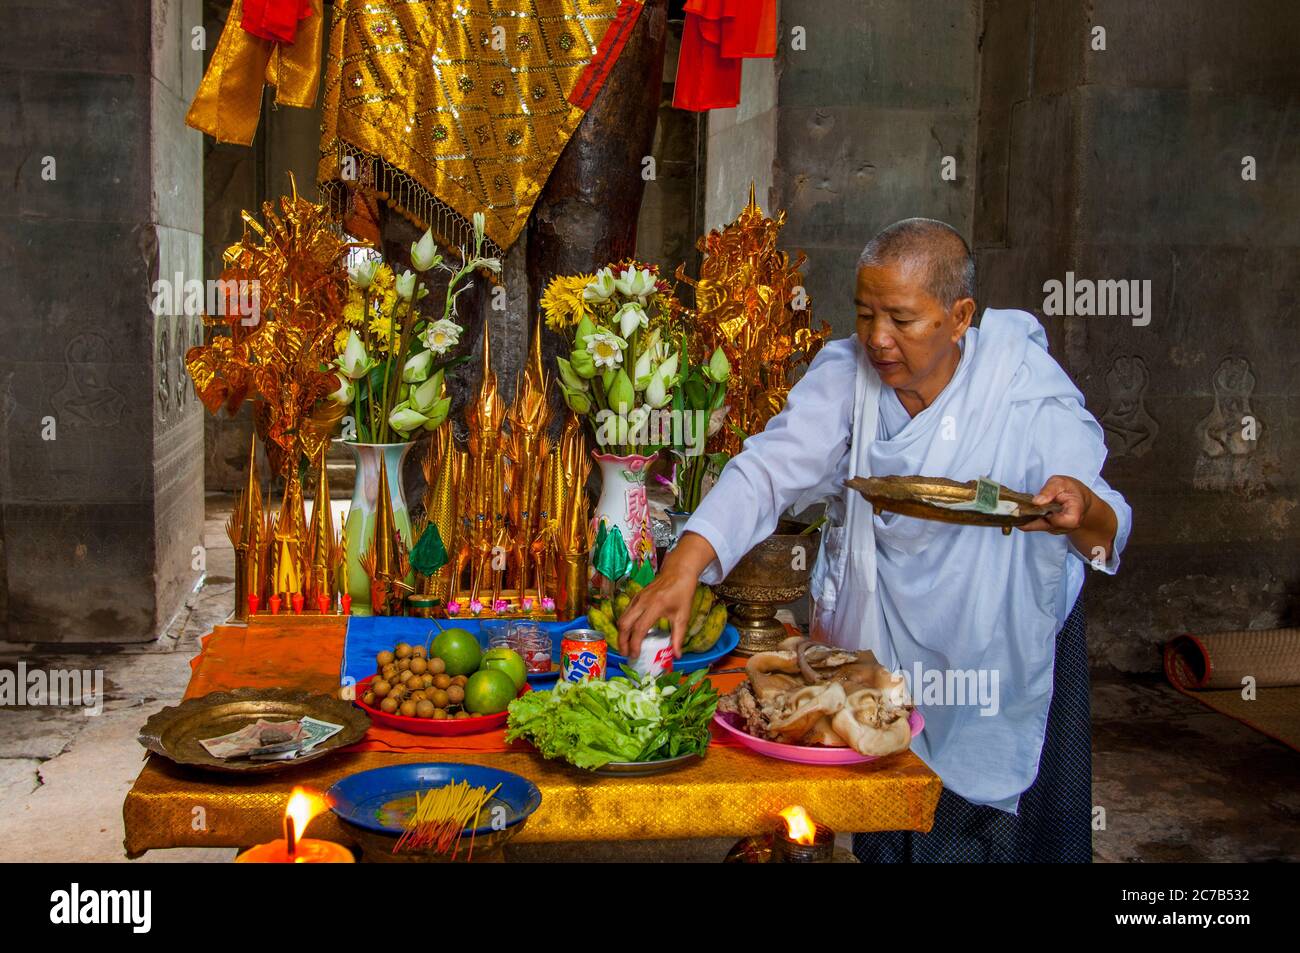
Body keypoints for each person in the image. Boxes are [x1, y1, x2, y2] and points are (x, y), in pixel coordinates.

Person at [617, 218, 1132, 862]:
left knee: (1002, 831)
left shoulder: (1021, 380)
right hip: (883, 632)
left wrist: (1079, 509)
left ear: (960, 315)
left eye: (901, 319)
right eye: (864, 314)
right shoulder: (847, 374)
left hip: (1003, 633)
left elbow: (1102, 516)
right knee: (888, 790)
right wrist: (684, 566)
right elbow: (769, 467)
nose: (878, 339)